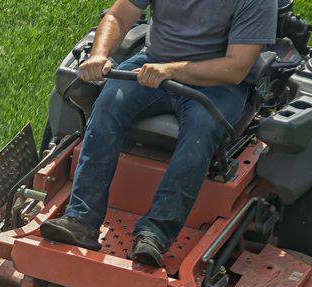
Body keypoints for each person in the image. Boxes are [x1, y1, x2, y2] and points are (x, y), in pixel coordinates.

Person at [40, 0, 278, 267]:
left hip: (218, 83)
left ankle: (154, 235)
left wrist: (170, 70)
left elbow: (236, 67)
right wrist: (99, 54)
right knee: (107, 104)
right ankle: (81, 219)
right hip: (153, 63)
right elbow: (118, 17)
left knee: (200, 133)